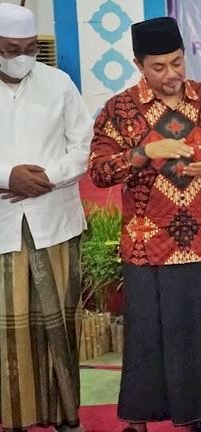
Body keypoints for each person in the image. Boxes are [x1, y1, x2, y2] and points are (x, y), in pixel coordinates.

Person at [88, 17, 201, 432]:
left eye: (177, 63)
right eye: (158, 67)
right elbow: (99, 172)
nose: (171, 75)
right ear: (139, 64)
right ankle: (138, 421)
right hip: (147, 245)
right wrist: (143, 151)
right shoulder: (120, 109)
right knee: (147, 337)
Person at [0, 3, 92, 431]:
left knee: (60, 325)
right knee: (9, 334)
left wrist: (47, 177)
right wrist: (7, 176)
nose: (22, 57)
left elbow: (83, 146)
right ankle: (13, 418)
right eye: (10, 49)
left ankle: (65, 417)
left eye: (30, 48)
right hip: (3, 225)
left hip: (55, 222)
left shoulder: (59, 83)